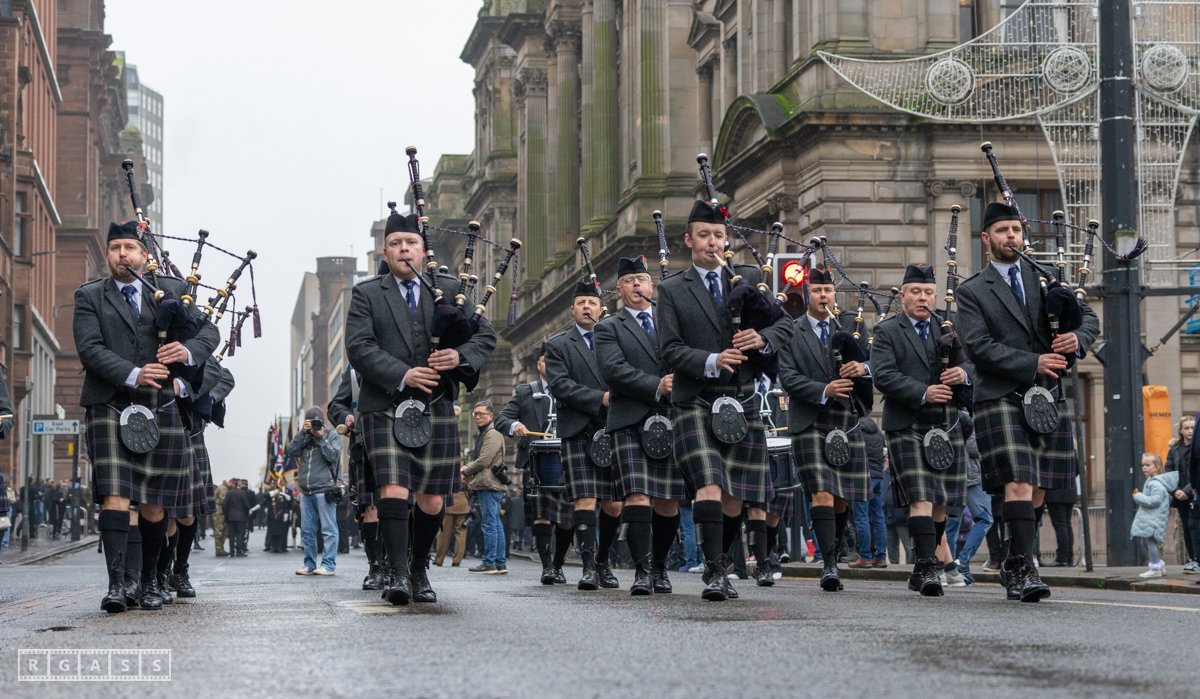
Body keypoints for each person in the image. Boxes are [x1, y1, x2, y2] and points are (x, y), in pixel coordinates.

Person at [345, 210, 496, 605]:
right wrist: (404, 374)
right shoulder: (367, 293)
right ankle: (396, 573)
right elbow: (359, 346)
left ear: (423, 249)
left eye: (410, 242)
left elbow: (485, 337)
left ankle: (417, 568)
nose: (403, 249)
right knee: (394, 489)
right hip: (385, 405)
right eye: (395, 244)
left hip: (436, 405)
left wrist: (459, 357)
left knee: (431, 500)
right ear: (385, 251)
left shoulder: (449, 288)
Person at [956, 202, 1100, 602]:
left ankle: (1014, 560)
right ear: (986, 238)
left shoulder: (1046, 277)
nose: (1011, 237)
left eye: (1016, 230)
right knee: (1019, 481)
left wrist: (1077, 338)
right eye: (1003, 231)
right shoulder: (972, 291)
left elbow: (1089, 319)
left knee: (1038, 488)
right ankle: (1025, 567)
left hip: (1047, 395)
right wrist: (1033, 361)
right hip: (1000, 395)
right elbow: (978, 347)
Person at [73, 221, 218, 612]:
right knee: (116, 496)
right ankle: (117, 585)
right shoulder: (90, 295)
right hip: (110, 402)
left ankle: (152, 579)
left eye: (129, 247)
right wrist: (133, 373)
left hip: (160, 406)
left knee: (155, 502)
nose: (122, 254)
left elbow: (209, 333)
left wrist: (187, 352)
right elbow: (89, 348)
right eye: (115, 248)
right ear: (108, 254)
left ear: (144, 254)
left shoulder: (170, 290)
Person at [657, 200, 793, 600]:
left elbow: (785, 326)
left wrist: (762, 338)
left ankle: (721, 561)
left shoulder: (746, 279)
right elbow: (669, 348)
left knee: (734, 498)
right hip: (696, 399)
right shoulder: (671, 289)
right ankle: (716, 570)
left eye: (718, 235)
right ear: (689, 240)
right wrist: (712, 360)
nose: (712, 242)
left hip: (741, 397)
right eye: (704, 235)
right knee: (710, 483)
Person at [871, 263, 973, 596]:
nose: (923, 298)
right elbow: (883, 375)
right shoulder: (887, 331)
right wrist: (923, 392)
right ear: (903, 296)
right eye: (915, 292)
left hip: (946, 421)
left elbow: (975, 361)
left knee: (941, 502)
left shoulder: (950, 325)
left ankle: (921, 567)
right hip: (907, 422)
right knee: (921, 497)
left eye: (928, 292)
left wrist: (963, 374)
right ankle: (929, 567)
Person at [777, 265, 870, 592]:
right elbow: (787, 377)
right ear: (807, 294)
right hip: (809, 421)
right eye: (817, 291)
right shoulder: (791, 331)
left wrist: (862, 367)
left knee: (841, 498)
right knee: (822, 493)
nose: (823, 296)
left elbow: (875, 361)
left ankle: (835, 549)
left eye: (828, 291)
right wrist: (823, 390)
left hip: (845, 420)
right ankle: (829, 564)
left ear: (834, 294)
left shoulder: (851, 327)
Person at [594, 256, 683, 595]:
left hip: (671, 418)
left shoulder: (669, 321)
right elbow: (613, 370)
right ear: (619, 290)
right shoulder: (608, 327)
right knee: (637, 495)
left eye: (641, 279)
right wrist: (656, 385)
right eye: (629, 281)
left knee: (668, 500)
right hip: (629, 418)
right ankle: (642, 571)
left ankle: (659, 567)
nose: (636, 285)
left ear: (651, 286)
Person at [545, 281, 622, 590]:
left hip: (614, 427)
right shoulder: (558, 344)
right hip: (579, 428)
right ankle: (588, 567)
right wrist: (599, 398)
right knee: (585, 500)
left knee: (614, 504)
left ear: (601, 308)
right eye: (581, 303)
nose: (587, 307)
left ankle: (603, 561)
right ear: (572, 309)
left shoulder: (616, 338)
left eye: (592, 302)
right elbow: (560, 385)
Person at [493, 348, 574, 584]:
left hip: (568, 461)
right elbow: (501, 419)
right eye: (546, 361)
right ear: (538, 365)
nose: (551, 364)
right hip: (536, 463)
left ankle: (558, 564)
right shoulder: (525, 391)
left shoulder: (573, 388)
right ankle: (547, 568)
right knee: (541, 516)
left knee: (567, 519)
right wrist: (515, 425)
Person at [288, 406, 344, 576]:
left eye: (316, 421)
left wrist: (321, 437)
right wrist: (302, 433)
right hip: (306, 492)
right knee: (307, 531)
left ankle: (328, 565)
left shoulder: (331, 435)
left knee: (328, 530)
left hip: (324, 489)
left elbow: (333, 456)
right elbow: (291, 451)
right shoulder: (304, 436)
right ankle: (309, 564)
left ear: (322, 421)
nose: (313, 424)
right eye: (310, 421)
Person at [944, 419, 993, 584]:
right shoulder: (966, 416)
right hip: (970, 477)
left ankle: (951, 567)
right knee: (985, 519)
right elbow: (974, 446)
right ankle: (961, 562)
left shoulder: (953, 416)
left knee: (952, 525)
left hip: (955, 476)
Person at [462, 402, 508, 574]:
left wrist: (465, 470)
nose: (477, 417)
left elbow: (484, 460)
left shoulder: (492, 433)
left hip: (489, 484)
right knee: (495, 523)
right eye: (475, 414)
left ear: (491, 415)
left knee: (489, 524)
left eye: (481, 413)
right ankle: (499, 563)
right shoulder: (487, 433)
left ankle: (489, 562)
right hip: (490, 484)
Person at [848, 416, 888, 569]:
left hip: (861, 476)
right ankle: (881, 557)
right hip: (878, 476)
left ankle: (865, 556)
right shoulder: (878, 433)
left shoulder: (855, 430)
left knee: (861, 517)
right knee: (878, 517)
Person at [1132, 453, 1178, 578]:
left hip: (1154, 519)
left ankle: (1156, 567)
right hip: (1151, 518)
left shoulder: (1155, 483)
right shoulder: (1151, 481)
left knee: (1150, 542)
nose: (1144, 468)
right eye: (1143, 465)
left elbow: (1155, 501)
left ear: (1157, 467)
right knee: (1145, 542)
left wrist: (1138, 497)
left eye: (1148, 465)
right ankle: (1159, 565)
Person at [1165, 416, 1196, 571]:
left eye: (1193, 428)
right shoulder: (1175, 449)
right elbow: (1168, 471)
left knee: (1194, 526)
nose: (1190, 431)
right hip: (1180, 496)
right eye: (1186, 428)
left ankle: (1197, 559)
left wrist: (1187, 491)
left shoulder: (1197, 447)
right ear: (1181, 430)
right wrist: (1175, 490)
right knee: (1187, 527)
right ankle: (1193, 558)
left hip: (1194, 493)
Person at [435, 470, 471, 567]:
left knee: (443, 533)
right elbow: (471, 487)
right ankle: (457, 561)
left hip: (449, 502)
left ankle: (439, 559)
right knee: (461, 533)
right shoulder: (466, 471)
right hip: (463, 504)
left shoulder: (448, 469)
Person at [213, 478, 230, 556]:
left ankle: (220, 548)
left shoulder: (225, 487)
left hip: (221, 511)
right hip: (219, 511)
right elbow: (224, 500)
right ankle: (219, 549)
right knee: (219, 531)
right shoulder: (222, 488)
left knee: (223, 531)